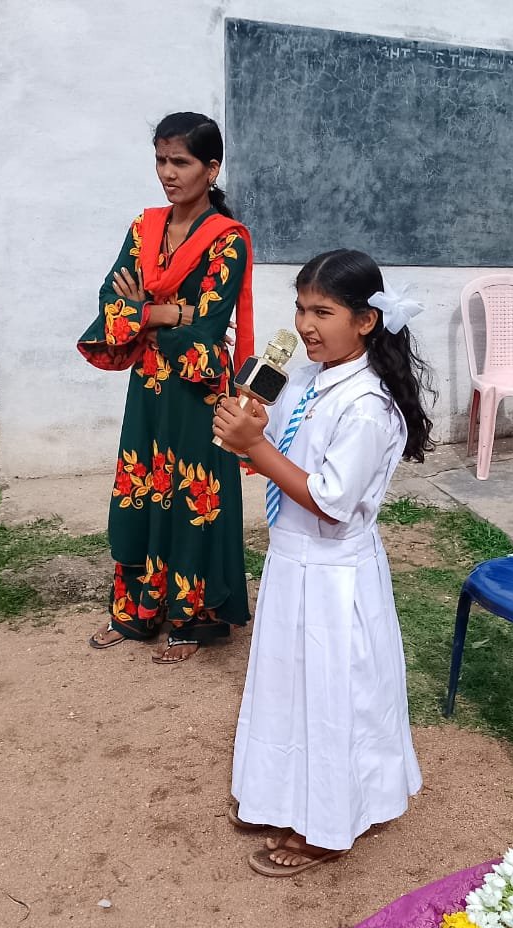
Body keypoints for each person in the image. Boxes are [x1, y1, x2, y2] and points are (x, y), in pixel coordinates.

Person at [213, 249, 434, 876]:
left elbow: (333, 502)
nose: (306, 325)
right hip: (292, 563)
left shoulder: (365, 405)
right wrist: (247, 427)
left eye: (324, 312)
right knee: (288, 686)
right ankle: (280, 794)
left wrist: (255, 447)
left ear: (366, 321)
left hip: (334, 574)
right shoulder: (306, 378)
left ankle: (330, 824)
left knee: (334, 695)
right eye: (300, 309)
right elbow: (277, 444)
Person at [77, 111, 253, 664]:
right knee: (141, 488)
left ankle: (191, 620)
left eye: (180, 162)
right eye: (161, 160)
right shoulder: (144, 228)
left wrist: (146, 312)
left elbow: (205, 326)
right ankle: (136, 613)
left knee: (191, 496)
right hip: (148, 389)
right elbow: (113, 302)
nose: (168, 173)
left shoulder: (229, 242)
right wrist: (166, 312)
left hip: (198, 393)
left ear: (211, 168)